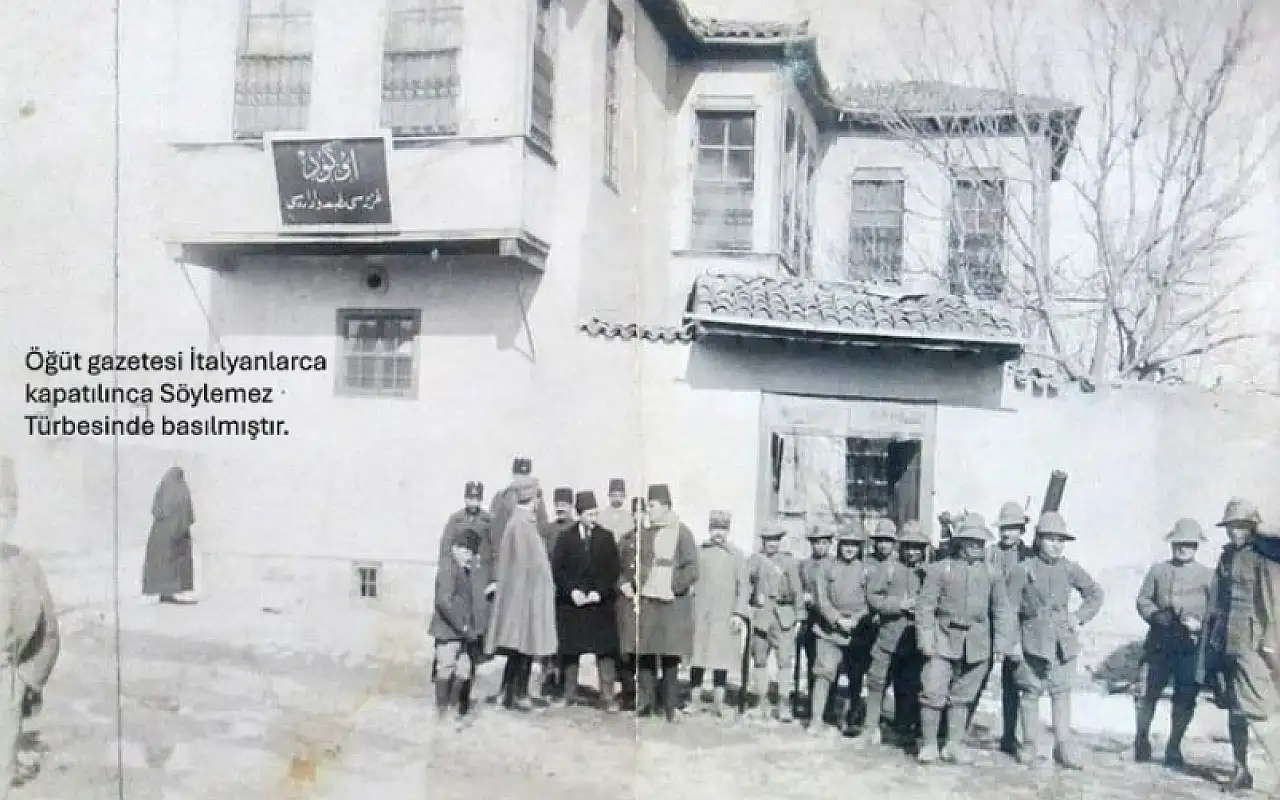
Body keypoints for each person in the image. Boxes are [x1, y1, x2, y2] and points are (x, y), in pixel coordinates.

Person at [1005, 511, 1104, 769]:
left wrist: (1078, 617)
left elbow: (1095, 594)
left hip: (1062, 644)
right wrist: (1012, 644)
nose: (1057, 545)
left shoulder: (1070, 569)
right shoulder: (1022, 570)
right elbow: (1009, 610)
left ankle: (1063, 746)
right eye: (1051, 539)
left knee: (1061, 694)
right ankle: (1028, 744)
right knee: (1030, 693)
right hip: (1031, 642)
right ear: (1038, 540)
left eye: (1061, 540)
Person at [915, 513, 1015, 765]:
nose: (976, 547)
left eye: (980, 543)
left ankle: (953, 744)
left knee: (963, 696)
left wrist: (1002, 645)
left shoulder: (993, 574)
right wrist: (926, 638)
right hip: (942, 639)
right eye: (971, 542)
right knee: (932, 690)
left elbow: (1002, 610)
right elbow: (925, 606)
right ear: (959, 543)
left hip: (977, 644)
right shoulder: (941, 569)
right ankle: (928, 744)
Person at [1200, 497, 1280, 795]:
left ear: (1253, 527)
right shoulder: (1227, 557)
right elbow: (1218, 600)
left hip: (1252, 643)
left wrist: (1270, 643)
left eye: (1242, 526)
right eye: (1231, 526)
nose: (1235, 532)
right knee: (1235, 708)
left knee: (1259, 709)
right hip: (1226, 642)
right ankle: (1240, 769)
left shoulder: (1263, 557)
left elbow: (1272, 603)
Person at [0, 456, 60, 797]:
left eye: (7, 514)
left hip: (4, 686)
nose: (1, 523)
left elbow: (48, 633)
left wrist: (25, 683)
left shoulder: (25, 566)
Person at [1133, 517, 1212, 767]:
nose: (1183, 548)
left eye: (1189, 544)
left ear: (1197, 546)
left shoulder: (1207, 576)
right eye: (1179, 543)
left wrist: (1199, 624)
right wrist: (1155, 615)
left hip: (1189, 646)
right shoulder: (1158, 571)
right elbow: (1143, 600)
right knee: (1148, 693)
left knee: (1185, 697)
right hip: (1160, 641)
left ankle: (1174, 746)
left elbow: (1215, 610)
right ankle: (1142, 738)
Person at [483, 475, 558, 712]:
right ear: (532, 498)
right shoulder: (522, 524)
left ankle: (510, 692)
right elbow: (527, 564)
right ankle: (517, 694)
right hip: (526, 596)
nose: (538, 502)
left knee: (521, 646)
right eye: (537, 497)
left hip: (526, 594)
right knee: (524, 645)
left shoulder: (523, 522)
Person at [551, 491, 622, 710]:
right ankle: (569, 693)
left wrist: (599, 592)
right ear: (579, 514)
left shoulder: (606, 537)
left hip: (599, 605)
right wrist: (571, 592)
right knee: (570, 650)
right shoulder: (565, 538)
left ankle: (607, 696)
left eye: (595, 514)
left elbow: (613, 570)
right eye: (590, 514)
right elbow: (557, 569)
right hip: (572, 605)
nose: (594, 518)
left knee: (605, 652)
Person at [635, 484, 698, 722]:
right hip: (649, 599)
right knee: (648, 652)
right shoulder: (647, 533)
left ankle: (670, 706)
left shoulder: (682, 532)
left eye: (652, 506)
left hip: (673, 603)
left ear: (665, 507)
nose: (648, 511)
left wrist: (674, 585)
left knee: (670, 656)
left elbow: (692, 568)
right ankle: (647, 702)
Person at [863, 519, 930, 746]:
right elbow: (873, 598)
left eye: (917, 547)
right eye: (908, 546)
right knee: (877, 681)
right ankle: (870, 726)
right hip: (888, 636)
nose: (912, 552)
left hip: (914, 640)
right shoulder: (889, 569)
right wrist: (899, 605)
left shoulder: (928, 573)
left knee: (909, 684)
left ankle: (903, 728)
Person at [809, 521, 871, 735]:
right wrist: (836, 619)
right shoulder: (826, 567)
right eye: (846, 544)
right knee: (823, 673)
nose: (850, 548)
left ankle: (851, 717)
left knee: (855, 676)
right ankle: (817, 718)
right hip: (828, 631)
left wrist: (856, 619)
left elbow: (871, 600)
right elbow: (821, 599)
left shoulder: (866, 570)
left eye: (854, 544)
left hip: (857, 633)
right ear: (839, 544)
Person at [690, 510, 750, 718]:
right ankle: (695, 700)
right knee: (697, 657)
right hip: (701, 614)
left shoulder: (737, 556)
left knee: (721, 660)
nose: (719, 533)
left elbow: (744, 588)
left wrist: (739, 613)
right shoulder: (699, 552)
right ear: (709, 529)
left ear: (728, 531)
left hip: (725, 615)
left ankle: (718, 702)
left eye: (723, 529)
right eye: (715, 528)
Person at [985, 501, 1034, 754]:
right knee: (975, 676)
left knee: (1013, 682)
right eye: (1004, 528)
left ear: (1022, 530)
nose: (1007, 533)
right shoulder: (990, 553)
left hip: (1017, 624)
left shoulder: (1029, 555)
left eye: (1013, 528)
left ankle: (1009, 735)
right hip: (989, 621)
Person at [430, 529, 490, 726]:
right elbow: (443, 602)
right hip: (448, 631)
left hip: (463, 633)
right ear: (455, 548)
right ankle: (442, 711)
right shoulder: (448, 569)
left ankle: (454, 708)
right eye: (465, 552)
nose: (469, 557)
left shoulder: (464, 570)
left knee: (463, 670)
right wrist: (461, 626)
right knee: (445, 668)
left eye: (471, 553)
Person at [745, 526, 804, 723]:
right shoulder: (755, 560)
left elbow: (797, 591)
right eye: (768, 540)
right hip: (762, 616)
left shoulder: (788, 562)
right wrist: (747, 607)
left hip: (783, 617)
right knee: (759, 659)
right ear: (763, 541)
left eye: (775, 540)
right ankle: (762, 701)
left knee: (785, 661)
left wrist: (799, 617)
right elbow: (747, 584)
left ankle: (783, 703)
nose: (772, 543)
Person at [484, 457, 549, 576]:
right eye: (519, 475)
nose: (522, 479)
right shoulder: (501, 498)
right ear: (513, 475)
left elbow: (542, 530)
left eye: (526, 475)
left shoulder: (537, 499)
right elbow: (495, 535)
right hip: (508, 558)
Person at [142, 466, 196, 604]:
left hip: (161, 533)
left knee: (165, 563)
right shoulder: (180, 489)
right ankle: (169, 592)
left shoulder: (164, 488)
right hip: (176, 532)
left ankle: (165, 592)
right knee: (173, 563)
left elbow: (157, 509)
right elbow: (186, 511)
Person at [796, 524, 834, 721]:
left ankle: (830, 707)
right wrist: (803, 597)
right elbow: (798, 587)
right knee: (812, 662)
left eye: (824, 542)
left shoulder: (834, 564)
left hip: (829, 621)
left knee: (829, 665)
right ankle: (813, 704)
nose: (820, 546)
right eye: (816, 542)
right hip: (810, 619)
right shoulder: (804, 565)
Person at [614, 498, 641, 710]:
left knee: (645, 648)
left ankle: (645, 694)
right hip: (626, 600)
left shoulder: (657, 540)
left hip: (648, 601)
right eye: (636, 513)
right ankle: (627, 692)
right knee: (625, 648)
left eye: (644, 512)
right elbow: (614, 567)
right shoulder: (624, 540)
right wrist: (622, 584)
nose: (639, 517)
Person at [438, 481, 492, 564]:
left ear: (481, 500)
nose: (473, 502)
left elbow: (492, 546)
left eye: (477, 499)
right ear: (465, 498)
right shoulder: (455, 519)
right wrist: (456, 555)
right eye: (471, 499)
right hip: (458, 566)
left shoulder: (488, 520)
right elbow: (446, 544)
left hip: (479, 565)